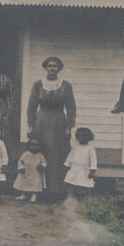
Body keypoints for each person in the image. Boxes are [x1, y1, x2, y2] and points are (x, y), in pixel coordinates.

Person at [26, 56, 75, 198]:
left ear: (59, 68)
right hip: (41, 121)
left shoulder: (66, 85)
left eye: (55, 66)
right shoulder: (38, 84)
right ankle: (37, 190)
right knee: (41, 153)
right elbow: (32, 106)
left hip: (59, 121)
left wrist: (69, 127)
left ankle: (54, 190)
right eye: (49, 66)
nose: (52, 68)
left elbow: (71, 108)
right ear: (45, 68)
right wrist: (30, 126)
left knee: (56, 155)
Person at [63, 127, 98, 197]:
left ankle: (85, 199)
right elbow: (70, 157)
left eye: (84, 137)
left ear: (89, 138)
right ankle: (71, 198)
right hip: (74, 169)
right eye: (80, 136)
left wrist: (92, 170)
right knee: (69, 184)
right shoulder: (75, 147)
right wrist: (66, 166)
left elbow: (93, 160)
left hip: (84, 170)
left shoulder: (90, 148)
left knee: (85, 186)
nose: (82, 139)